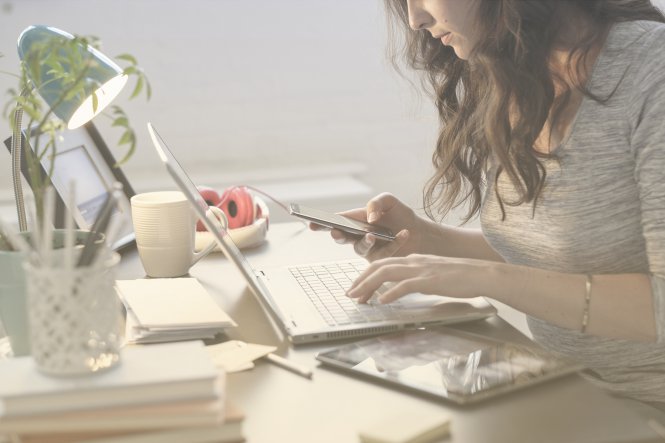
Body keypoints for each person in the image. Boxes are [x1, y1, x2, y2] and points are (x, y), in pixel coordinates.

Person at [318, 0, 665, 411]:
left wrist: (488, 278)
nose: (415, 19)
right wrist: (422, 238)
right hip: (563, 385)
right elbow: (558, 256)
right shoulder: (519, 70)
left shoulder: (651, 72)